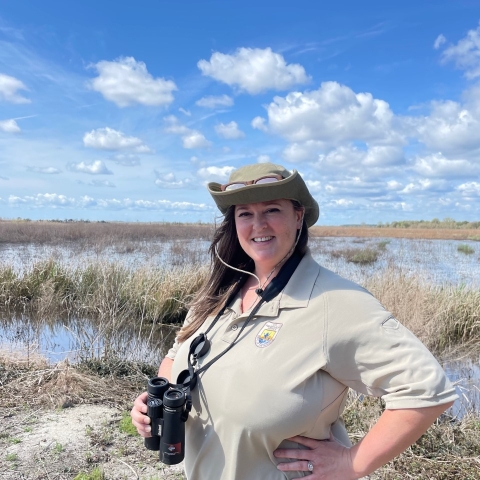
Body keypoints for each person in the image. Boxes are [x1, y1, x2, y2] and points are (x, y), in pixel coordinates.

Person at [131, 162, 458, 479]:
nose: (258, 224)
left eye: (271, 209)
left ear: (298, 216)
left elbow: (427, 388)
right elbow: (177, 353)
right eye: (245, 214)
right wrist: (156, 403)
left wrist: (351, 463)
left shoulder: (336, 302)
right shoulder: (219, 290)